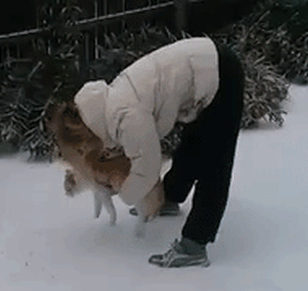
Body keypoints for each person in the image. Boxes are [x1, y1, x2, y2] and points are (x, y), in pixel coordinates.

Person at [72, 36, 244, 268]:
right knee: (193, 144)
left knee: (214, 162)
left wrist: (127, 194)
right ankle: (169, 198)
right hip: (206, 65)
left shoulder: (125, 116)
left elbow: (147, 166)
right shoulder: (112, 101)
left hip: (220, 75)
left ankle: (195, 243)